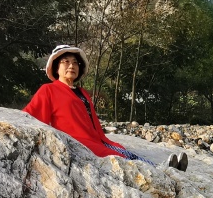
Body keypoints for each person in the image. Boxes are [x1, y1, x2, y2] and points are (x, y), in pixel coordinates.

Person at [24, 44, 187, 171]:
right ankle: (163, 171)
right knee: (119, 157)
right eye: (65, 62)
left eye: (75, 62)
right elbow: (30, 116)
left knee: (125, 153)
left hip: (97, 139)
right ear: (56, 67)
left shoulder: (82, 92)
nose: (71, 66)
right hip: (77, 141)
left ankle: (166, 169)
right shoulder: (48, 90)